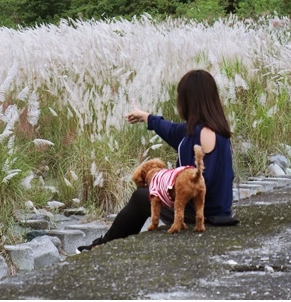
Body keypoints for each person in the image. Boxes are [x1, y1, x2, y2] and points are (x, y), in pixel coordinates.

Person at [77, 69, 239, 252]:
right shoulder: (198, 130)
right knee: (148, 193)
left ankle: (103, 246)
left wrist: (167, 188)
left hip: (204, 213)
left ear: (189, 100)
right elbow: (168, 129)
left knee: (142, 197)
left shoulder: (206, 134)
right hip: (211, 210)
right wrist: (145, 117)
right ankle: (110, 244)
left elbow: (207, 183)